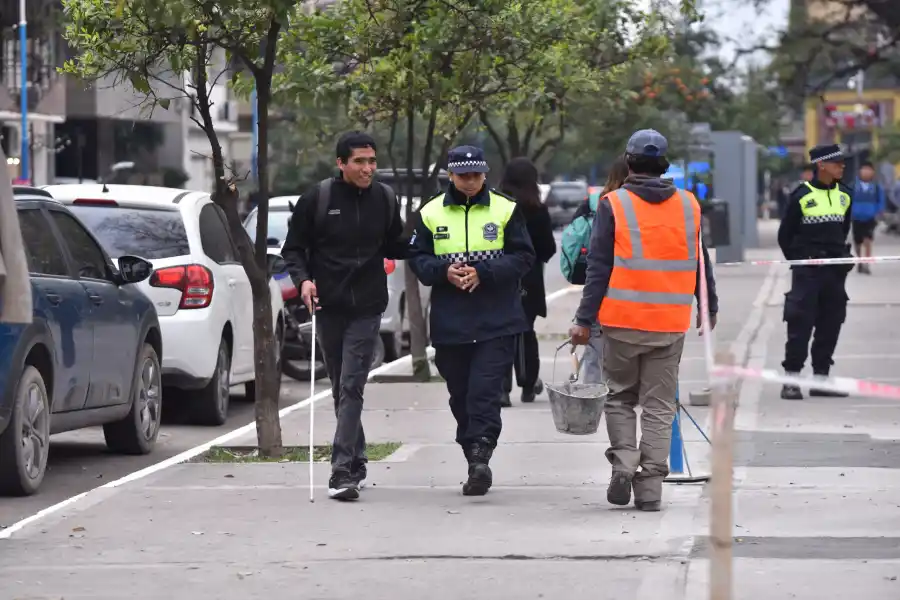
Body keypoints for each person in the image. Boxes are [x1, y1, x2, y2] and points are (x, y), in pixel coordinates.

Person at [567, 129, 719, 512]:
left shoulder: (612, 204)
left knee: (619, 397)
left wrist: (584, 319)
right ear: (664, 165)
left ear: (629, 162)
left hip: (621, 320)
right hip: (669, 323)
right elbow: (701, 261)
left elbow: (597, 268)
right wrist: (708, 305)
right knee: (659, 405)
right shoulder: (688, 205)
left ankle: (623, 462)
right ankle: (650, 488)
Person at [281, 131, 408, 501]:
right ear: (341, 164)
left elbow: (396, 243)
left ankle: (341, 471)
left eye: (372, 161)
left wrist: (430, 244)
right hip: (328, 306)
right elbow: (294, 249)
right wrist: (303, 281)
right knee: (340, 386)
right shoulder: (317, 199)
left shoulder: (385, 198)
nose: (368, 168)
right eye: (360, 162)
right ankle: (358, 456)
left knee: (352, 384)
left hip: (368, 306)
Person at [408, 145, 535, 496]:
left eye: (476, 175)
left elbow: (524, 257)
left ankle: (480, 455)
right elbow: (417, 259)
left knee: (485, 392)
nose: (470, 181)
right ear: (450, 175)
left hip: (497, 320)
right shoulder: (431, 212)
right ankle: (472, 449)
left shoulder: (506, 209)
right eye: (463, 176)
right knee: (460, 394)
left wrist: (484, 272)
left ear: (485, 174)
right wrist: (443, 272)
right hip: (452, 324)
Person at [778, 144, 853, 400]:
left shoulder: (845, 195)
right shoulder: (801, 195)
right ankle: (791, 380)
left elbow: (843, 232)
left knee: (831, 324)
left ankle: (821, 378)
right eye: (837, 163)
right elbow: (785, 236)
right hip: (808, 272)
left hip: (835, 272)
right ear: (821, 165)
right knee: (800, 323)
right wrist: (802, 261)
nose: (842, 166)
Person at [497, 157, 557, 406]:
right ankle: (528, 383)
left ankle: (502, 389)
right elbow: (548, 248)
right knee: (525, 332)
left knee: (500, 334)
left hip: (499, 277)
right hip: (529, 279)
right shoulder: (537, 210)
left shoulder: (496, 208)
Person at [569, 156, 629, 384]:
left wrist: (583, 317)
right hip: (635, 296)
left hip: (601, 295)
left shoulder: (595, 202)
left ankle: (592, 404)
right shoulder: (642, 206)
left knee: (595, 356)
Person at [850, 161, 885, 274]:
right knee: (858, 241)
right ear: (860, 171)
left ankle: (867, 263)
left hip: (870, 217)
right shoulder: (853, 185)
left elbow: (881, 200)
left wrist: (878, 211)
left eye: (868, 170)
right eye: (864, 169)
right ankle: (860, 260)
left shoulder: (876, 186)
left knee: (868, 240)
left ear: (873, 172)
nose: (866, 172)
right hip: (856, 217)